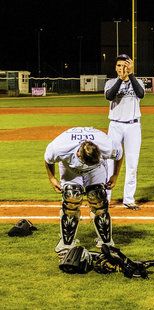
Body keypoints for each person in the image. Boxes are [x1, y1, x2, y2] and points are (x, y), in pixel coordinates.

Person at [44, 127, 123, 258]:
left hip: (96, 168)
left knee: (98, 198)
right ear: (78, 154)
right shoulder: (60, 147)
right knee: (71, 197)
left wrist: (115, 175)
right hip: (70, 168)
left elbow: (119, 155)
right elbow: (48, 159)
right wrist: (52, 178)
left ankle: (106, 242)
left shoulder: (107, 145)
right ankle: (66, 244)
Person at [103, 54, 144, 210]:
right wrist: (121, 78)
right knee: (109, 163)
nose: (122, 68)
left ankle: (128, 198)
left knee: (132, 163)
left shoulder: (137, 81)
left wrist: (130, 75)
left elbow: (140, 94)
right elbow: (109, 96)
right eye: (119, 65)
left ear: (130, 67)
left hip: (133, 126)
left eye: (125, 65)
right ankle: (106, 198)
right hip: (115, 125)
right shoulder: (111, 82)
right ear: (115, 67)